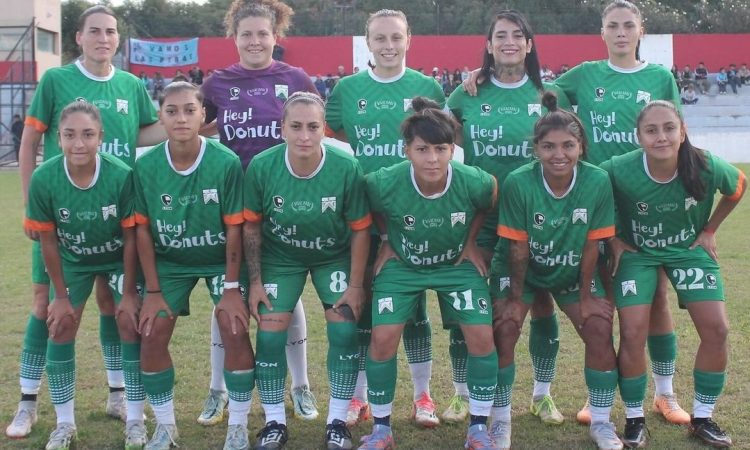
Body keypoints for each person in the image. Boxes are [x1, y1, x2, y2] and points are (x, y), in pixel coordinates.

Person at [8, 4, 160, 442]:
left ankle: (118, 396)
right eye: (94, 31)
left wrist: (188, 124)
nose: (103, 38)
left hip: (114, 214)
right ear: (78, 37)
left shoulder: (131, 84)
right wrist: (30, 205)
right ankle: (28, 402)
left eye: (110, 31)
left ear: (118, 39)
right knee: (46, 306)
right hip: (63, 216)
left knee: (115, 305)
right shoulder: (57, 80)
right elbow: (30, 140)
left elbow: (144, 133)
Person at [553, 3, 687, 429]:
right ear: (602, 32)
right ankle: (599, 396)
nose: (621, 32)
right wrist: (480, 77)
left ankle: (665, 394)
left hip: (645, 199)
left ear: (641, 30)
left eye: (629, 25)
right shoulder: (585, 74)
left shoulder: (659, 77)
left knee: (656, 296)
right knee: (602, 299)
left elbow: (678, 135)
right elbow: (539, 91)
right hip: (596, 199)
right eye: (613, 26)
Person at [447, 9, 572, 428]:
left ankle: (542, 394)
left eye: (517, 35)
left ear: (529, 44)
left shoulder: (550, 94)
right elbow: (448, 141)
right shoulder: (466, 93)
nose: (509, 42)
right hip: (479, 220)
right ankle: (462, 393)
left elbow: (567, 147)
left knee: (540, 301)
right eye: (500, 36)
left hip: (539, 219)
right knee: (467, 303)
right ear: (489, 45)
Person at [199, 0, 321, 425]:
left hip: (282, 204)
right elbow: (195, 123)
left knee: (285, 293)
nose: (254, 41)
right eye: (246, 34)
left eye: (262, 34)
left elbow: (314, 127)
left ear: (275, 36)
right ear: (234, 38)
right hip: (232, 206)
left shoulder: (295, 78)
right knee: (227, 294)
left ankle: (300, 385)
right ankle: (217, 389)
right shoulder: (217, 83)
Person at [325, 8, 446, 429]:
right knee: (359, 306)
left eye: (396, 37)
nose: (389, 45)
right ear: (368, 43)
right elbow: (336, 134)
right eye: (380, 38)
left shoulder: (428, 87)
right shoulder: (347, 89)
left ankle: (422, 396)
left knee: (414, 309)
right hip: (361, 216)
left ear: (409, 39)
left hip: (412, 214)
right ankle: (358, 397)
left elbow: (438, 143)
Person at [602, 100, 746, 448]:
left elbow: (738, 186)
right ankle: (634, 418)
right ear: (638, 137)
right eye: (651, 130)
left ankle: (703, 417)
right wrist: (614, 239)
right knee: (632, 331)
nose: (661, 137)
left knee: (717, 328)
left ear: (682, 131)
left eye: (669, 128)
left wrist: (709, 230)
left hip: (687, 250)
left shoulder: (704, 163)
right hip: (639, 254)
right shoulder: (618, 168)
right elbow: (590, 195)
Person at [362, 97, 498, 450]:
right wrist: (387, 239)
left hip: (454, 266)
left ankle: (479, 428)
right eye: (422, 149)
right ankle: (381, 429)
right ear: (407, 150)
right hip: (404, 266)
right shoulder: (383, 182)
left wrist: (471, 241)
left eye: (440, 149)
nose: (432, 158)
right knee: (383, 338)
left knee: (482, 336)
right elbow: (371, 206)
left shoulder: (475, 181)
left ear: (452, 150)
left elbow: (488, 201)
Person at [491, 91, 621, 450]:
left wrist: (586, 296)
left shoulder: (597, 180)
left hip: (572, 266)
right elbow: (517, 248)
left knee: (598, 328)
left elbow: (593, 243)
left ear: (581, 147)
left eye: (568, 145)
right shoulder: (519, 181)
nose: (558, 154)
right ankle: (500, 421)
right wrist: (514, 299)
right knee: (505, 327)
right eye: (548, 146)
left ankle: (601, 422)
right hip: (521, 267)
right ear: (536, 149)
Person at [244, 91, 371, 450]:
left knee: (344, 332)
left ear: (324, 129)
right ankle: (274, 422)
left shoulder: (346, 167)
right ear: (282, 128)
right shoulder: (262, 166)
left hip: (332, 257)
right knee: (269, 336)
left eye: (313, 127)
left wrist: (356, 285)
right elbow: (251, 226)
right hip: (281, 258)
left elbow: (360, 229)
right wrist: (255, 281)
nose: (304, 135)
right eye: (296, 126)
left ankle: (337, 422)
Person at [135, 81, 254, 450]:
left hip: (220, 261)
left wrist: (231, 288)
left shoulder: (224, 161)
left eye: (190, 110)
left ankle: (238, 425)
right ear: (160, 117)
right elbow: (142, 231)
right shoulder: (146, 166)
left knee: (234, 328)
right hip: (171, 263)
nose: (181, 118)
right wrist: (153, 291)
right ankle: (165, 427)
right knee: (151, 332)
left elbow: (234, 229)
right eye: (172, 111)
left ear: (204, 115)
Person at [23, 101, 139, 450]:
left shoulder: (120, 174)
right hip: (73, 260)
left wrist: (129, 292)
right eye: (69, 135)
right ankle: (64, 423)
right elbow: (48, 240)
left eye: (87, 134)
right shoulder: (45, 177)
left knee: (129, 321)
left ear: (101, 137)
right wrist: (60, 296)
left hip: (116, 259)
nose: (78, 143)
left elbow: (132, 237)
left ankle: (130, 413)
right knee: (60, 325)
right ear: (58, 138)